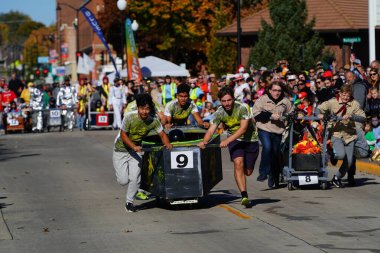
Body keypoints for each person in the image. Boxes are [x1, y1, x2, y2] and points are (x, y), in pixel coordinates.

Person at [198, 87, 259, 206]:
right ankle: (244, 195)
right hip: (235, 141)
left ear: (233, 99)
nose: (227, 103)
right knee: (238, 163)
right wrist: (204, 142)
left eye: (229, 100)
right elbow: (211, 130)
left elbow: (243, 129)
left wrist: (227, 140)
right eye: (224, 101)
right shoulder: (219, 112)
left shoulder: (242, 107)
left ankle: (246, 173)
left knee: (248, 171)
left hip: (250, 140)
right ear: (220, 101)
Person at [112, 93, 172, 212]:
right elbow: (123, 135)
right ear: (138, 108)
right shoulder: (129, 117)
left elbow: (162, 134)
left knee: (135, 178)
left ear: (150, 108)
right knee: (123, 181)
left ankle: (129, 203)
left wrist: (168, 144)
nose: (144, 111)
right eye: (142, 108)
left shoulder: (153, 120)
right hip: (121, 149)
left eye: (147, 108)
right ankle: (126, 178)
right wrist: (133, 146)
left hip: (136, 151)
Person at [317, 85, 366, 187]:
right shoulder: (332, 102)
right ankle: (331, 153)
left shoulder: (354, 104)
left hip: (350, 135)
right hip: (336, 133)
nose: (345, 98)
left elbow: (363, 118)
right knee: (340, 155)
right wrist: (319, 114)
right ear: (340, 94)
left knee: (349, 162)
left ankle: (337, 178)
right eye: (343, 95)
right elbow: (319, 108)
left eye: (348, 96)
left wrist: (352, 116)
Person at [252, 81, 293, 188]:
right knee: (267, 147)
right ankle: (263, 172)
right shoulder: (263, 99)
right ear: (270, 90)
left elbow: (291, 113)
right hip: (264, 129)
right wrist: (270, 116)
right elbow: (255, 114)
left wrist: (288, 116)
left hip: (278, 130)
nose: (277, 93)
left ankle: (273, 176)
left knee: (275, 154)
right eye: (274, 90)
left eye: (279, 90)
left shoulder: (285, 101)